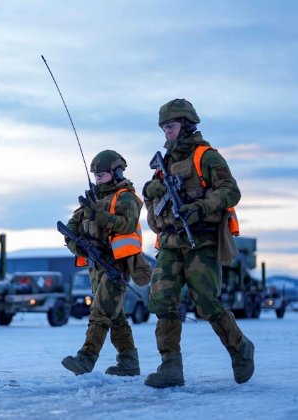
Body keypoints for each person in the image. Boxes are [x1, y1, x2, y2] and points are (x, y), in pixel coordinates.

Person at [143, 98, 255, 388]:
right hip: (169, 242)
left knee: (206, 301)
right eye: (164, 127)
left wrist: (202, 207)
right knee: (162, 300)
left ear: (187, 124)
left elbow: (231, 191)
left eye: (171, 125)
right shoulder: (164, 163)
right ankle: (170, 367)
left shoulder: (206, 156)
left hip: (201, 240)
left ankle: (240, 348)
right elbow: (154, 199)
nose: (167, 132)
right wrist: (152, 189)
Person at [62, 150, 151, 376]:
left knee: (101, 312)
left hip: (117, 264)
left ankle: (86, 358)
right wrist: (77, 245)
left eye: (102, 175)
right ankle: (129, 362)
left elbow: (127, 224)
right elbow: (72, 227)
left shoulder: (126, 198)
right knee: (116, 315)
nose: (98, 179)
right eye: (96, 176)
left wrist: (96, 214)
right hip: (95, 265)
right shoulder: (92, 199)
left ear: (117, 172)